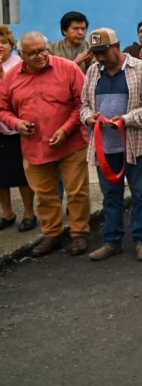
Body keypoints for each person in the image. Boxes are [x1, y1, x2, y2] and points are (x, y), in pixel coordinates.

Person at [0, 32, 91, 257]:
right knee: (45, 194)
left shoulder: (68, 68)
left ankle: (79, 233)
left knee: (76, 191)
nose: (39, 55)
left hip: (71, 143)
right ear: (22, 55)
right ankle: (52, 233)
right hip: (34, 146)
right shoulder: (11, 77)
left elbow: (83, 103)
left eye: (42, 50)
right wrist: (16, 123)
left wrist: (65, 129)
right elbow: (3, 108)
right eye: (32, 53)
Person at [80, 28, 142, 261]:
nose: (100, 58)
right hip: (105, 147)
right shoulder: (93, 71)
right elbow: (84, 104)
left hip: (136, 145)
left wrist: (125, 120)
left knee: (141, 195)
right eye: (96, 53)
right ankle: (112, 241)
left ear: (116, 46)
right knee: (111, 196)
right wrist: (88, 118)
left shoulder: (141, 69)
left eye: (104, 52)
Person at [0, 25, 36, 232]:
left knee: (22, 173)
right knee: (1, 175)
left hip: (17, 127)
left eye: (3, 42)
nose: (0, 46)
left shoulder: (19, 64)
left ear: (11, 45)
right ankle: (7, 213)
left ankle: (29, 213)